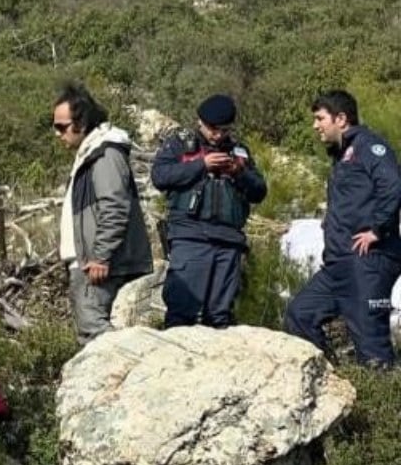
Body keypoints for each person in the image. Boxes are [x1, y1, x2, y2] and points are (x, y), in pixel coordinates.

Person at [285, 90, 401, 366]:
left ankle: (381, 391)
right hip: (338, 264)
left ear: (341, 118)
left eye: (320, 118)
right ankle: (332, 380)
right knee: (299, 314)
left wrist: (377, 230)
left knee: (372, 348)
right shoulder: (341, 156)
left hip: (368, 262)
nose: (315, 125)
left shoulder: (370, 147)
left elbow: (393, 186)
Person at [152, 94, 267, 328]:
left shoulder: (240, 152)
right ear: (200, 122)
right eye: (213, 129)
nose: (218, 135)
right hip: (190, 237)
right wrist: (201, 165)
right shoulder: (179, 144)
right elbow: (160, 176)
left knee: (220, 318)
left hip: (229, 242)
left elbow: (259, 191)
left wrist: (239, 172)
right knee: (182, 313)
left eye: (224, 130)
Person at [52, 82, 153, 345]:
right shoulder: (93, 153)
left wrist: (100, 255)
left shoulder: (105, 154)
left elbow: (114, 206)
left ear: (82, 122)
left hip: (98, 265)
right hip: (93, 261)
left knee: (95, 336)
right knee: (96, 334)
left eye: (62, 127)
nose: (58, 134)